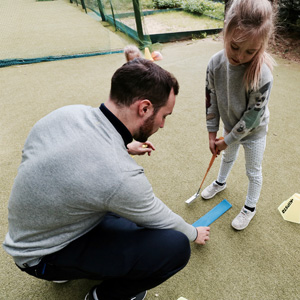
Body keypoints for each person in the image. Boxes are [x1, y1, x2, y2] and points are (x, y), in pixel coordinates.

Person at [3, 58, 210, 300]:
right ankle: (104, 296)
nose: (163, 125)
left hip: (29, 234)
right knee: (174, 246)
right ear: (144, 108)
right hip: (41, 258)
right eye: (164, 115)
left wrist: (124, 146)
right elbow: (160, 218)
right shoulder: (120, 175)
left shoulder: (67, 113)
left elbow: (56, 156)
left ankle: (68, 265)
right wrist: (194, 233)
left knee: (118, 209)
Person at [201, 0, 276, 230]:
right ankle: (220, 182)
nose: (240, 56)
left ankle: (250, 208)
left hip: (254, 133)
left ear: (261, 47)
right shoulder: (215, 63)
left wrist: (227, 140)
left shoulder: (263, 75)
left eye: (250, 51)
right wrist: (213, 135)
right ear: (226, 29)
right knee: (227, 157)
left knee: (253, 171)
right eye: (234, 46)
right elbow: (210, 100)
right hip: (228, 127)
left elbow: (252, 118)